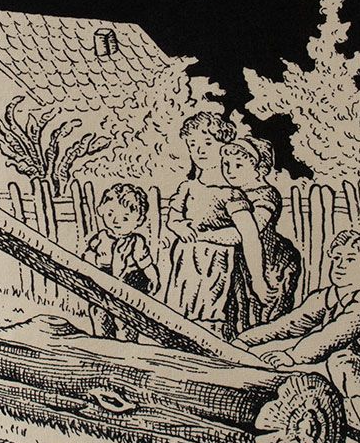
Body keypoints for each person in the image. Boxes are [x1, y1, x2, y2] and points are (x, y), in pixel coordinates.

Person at [235, 230, 360, 443]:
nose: (340, 265)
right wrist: (247, 341)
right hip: (332, 366)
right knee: (269, 351)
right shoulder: (327, 296)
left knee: (342, 361)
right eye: (337, 258)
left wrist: (292, 357)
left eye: (350, 260)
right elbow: (289, 325)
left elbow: (332, 336)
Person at [163, 113, 265, 339]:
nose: (199, 150)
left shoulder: (231, 194)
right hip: (185, 260)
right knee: (179, 312)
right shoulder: (187, 187)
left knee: (211, 314)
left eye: (208, 143)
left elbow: (247, 234)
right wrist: (180, 228)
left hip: (217, 263)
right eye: (192, 144)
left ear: (224, 146)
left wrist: (258, 279)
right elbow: (173, 218)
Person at [220, 136, 301, 328]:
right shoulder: (231, 195)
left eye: (238, 165)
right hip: (242, 261)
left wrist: (204, 236)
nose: (230, 171)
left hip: (270, 261)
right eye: (226, 164)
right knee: (239, 310)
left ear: (260, 169)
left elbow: (251, 230)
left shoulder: (265, 194)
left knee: (265, 311)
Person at [83, 183, 160, 343]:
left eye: (125, 218)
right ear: (101, 211)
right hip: (102, 286)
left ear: (138, 220)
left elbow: (146, 264)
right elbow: (87, 255)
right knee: (100, 316)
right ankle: (103, 346)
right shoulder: (100, 238)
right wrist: (92, 262)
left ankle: (127, 348)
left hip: (128, 287)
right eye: (110, 214)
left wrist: (154, 278)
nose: (116, 221)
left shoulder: (136, 242)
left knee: (126, 323)